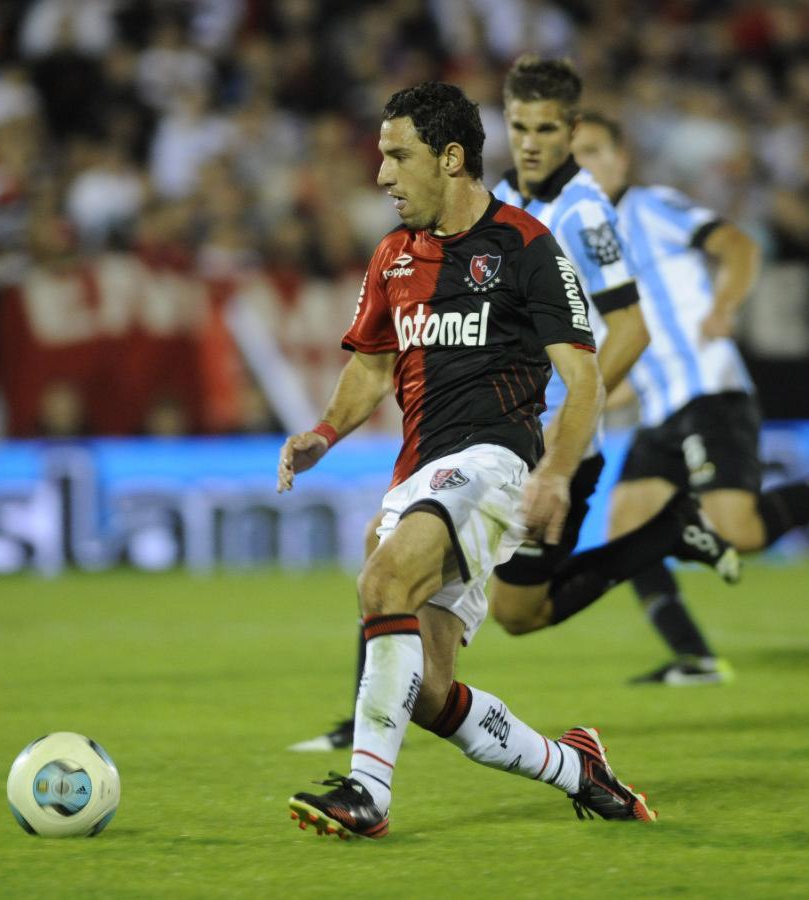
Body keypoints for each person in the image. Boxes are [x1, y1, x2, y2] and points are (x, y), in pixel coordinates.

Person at [289, 58, 737, 752]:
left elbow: (631, 327)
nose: (529, 142)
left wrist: (567, 425)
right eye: (519, 126)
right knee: (489, 597)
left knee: (409, 559)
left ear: (571, 130)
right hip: (493, 431)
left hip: (541, 438)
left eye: (545, 128)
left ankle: (371, 743)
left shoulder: (584, 213)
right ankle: (663, 539)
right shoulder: (486, 201)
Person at [278, 81, 656, 839]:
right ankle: (576, 767)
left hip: (493, 463)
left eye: (396, 156)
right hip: (417, 473)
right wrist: (324, 431)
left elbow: (582, 380)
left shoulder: (524, 246)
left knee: (382, 580)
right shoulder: (392, 256)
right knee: (425, 690)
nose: (381, 175)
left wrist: (554, 471)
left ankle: (365, 795)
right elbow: (373, 368)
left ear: (450, 158)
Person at [564, 111, 809, 683]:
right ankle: (695, 658)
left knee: (739, 532)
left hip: (708, 393)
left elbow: (738, 246)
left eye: (596, 151)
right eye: (575, 158)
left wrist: (725, 304)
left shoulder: (651, 208)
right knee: (626, 527)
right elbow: (620, 367)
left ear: (621, 158)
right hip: (661, 412)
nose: (587, 166)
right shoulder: (581, 253)